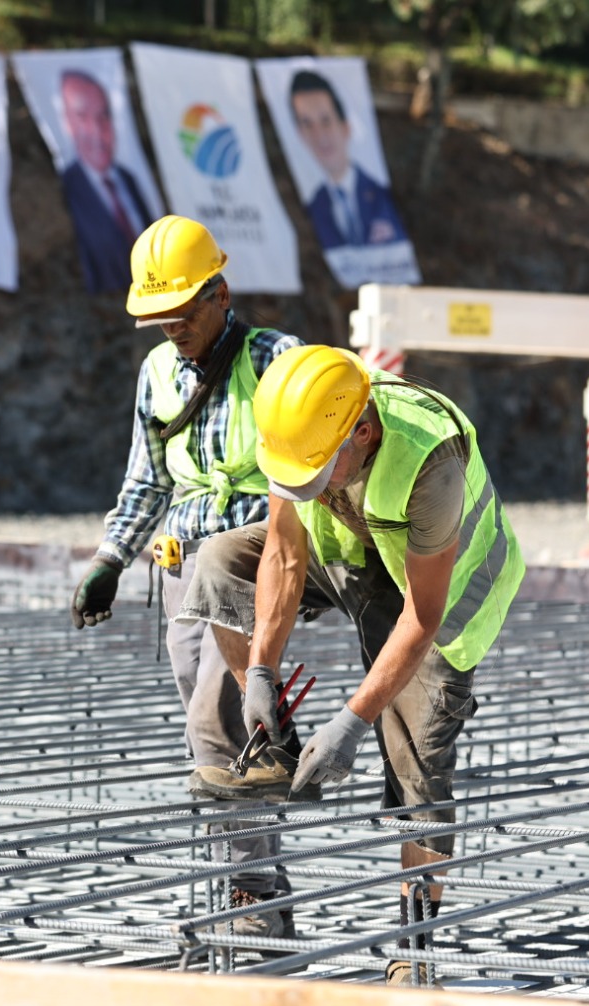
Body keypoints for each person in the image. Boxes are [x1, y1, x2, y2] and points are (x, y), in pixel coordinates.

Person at [176, 345, 524, 983]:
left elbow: (421, 615)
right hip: (354, 560)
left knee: (417, 757)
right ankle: (274, 746)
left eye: (316, 472)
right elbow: (281, 553)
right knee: (221, 561)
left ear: (362, 434)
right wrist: (261, 672)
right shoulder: (299, 424)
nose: (303, 483)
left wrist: (352, 722)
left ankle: (412, 950)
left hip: (441, 591)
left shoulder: (430, 460)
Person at [70, 214, 302, 937]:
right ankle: (253, 878)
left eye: (182, 315)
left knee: (215, 718)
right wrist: (111, 558)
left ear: (220, 293)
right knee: (213, 734)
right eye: (159, 320)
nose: (172, 329)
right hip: (180, 575)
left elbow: (310, 468)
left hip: (248, 562)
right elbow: (146, 482)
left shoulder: (275, 360)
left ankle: (252, 894)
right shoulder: (158, 374)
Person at [288, 70, 407, 250]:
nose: (319, 135)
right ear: (299, 134)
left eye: (326, 121)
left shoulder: (381, 194)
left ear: (345, 127)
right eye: (307, 124)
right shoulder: (315, 205)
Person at [58, 69, 153, 293]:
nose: (96, 130)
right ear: (66, 123)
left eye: (103, 116)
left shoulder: (129, 180)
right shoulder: (68, 185)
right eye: (82, 117)